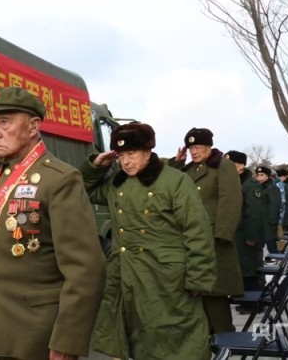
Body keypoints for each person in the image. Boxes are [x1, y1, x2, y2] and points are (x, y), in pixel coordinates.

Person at [0, 87, 105, 360]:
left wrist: (67, 342)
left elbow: (85, 270)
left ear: (33, 126)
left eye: (4, 122)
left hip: (33, 332)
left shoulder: (59, 179)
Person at [81, 122, 216, 360]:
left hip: (166, 278)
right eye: (121, 155)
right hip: (126, 275)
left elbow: (197, 231)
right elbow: (83, 190)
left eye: (132, 153)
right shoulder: (117, 183)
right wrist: (97, 165)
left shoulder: (174, 180)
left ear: (148, 151)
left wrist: (198, 278)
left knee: (173, 337)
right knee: (135, 335)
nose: (126, 161)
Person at [168, 128, 243, 334]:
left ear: (209, 146)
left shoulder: (223, 166)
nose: (194, 152)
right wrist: (177, 162)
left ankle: (225, 338)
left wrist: (222, 236)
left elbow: (230, 201)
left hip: (213, 241)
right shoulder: (189, 170)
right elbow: (166, 181)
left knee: (214, 294)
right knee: (197, 294)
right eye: (191, 148)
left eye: (198, 147)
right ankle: (206, 340)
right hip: (191, 240)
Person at [224, 151, 265, 296]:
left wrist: (251, 237)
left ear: (241, 165)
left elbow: (254, 213)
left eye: (230, 164)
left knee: (250, 269)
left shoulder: (249, 184)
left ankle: (254, 301)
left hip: (247, 236)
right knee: (242, 269)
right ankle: (246, 299)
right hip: (237, 234)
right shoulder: (235, 182)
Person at [254, 166, 282, 255]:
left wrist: (271, 222)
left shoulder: (272, 188)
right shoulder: (259, 188)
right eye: (258, 175)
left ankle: (277, 261)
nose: (259, 177)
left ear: (267, 176)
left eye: (262, 175)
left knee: (271, 245)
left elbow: (275, 205)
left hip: (268, 223)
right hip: (260, 222)